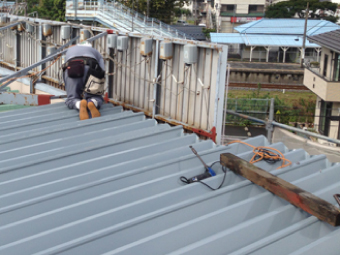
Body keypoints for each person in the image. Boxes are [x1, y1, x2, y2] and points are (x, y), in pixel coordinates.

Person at [63, 43, 105, 120]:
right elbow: (102, 70)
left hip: (72, 67)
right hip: (92, 65)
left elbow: (65, 69)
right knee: (96, 96)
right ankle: (92, 102)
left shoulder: (69, 51)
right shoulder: (95, 52)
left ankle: (79, 104)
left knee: (71, 99)